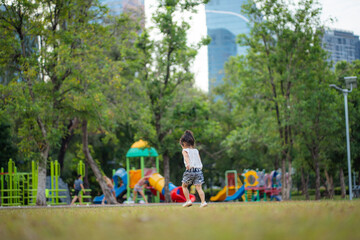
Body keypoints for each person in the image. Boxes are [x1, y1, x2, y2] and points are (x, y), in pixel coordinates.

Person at [180, 130, 207, 208]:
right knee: (199, 187)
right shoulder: (196, 150)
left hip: (190, 170)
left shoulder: (184, 150)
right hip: (198, 171)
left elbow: (186, 158)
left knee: (184, 186)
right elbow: (199, 160)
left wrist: (188, 164)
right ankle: (203, 202)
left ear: (184, 143)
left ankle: (188, 201)